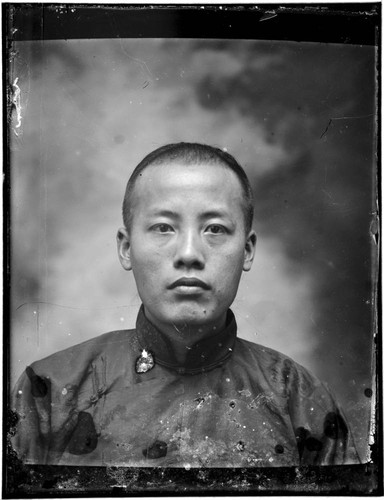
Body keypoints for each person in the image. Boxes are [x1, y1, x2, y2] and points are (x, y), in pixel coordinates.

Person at [11, 142, 360, 467]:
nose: (189, 254)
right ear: (126, 248)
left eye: (215, 229)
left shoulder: (297, 397)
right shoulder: (49, 391)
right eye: (164, 227)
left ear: (248, 250)